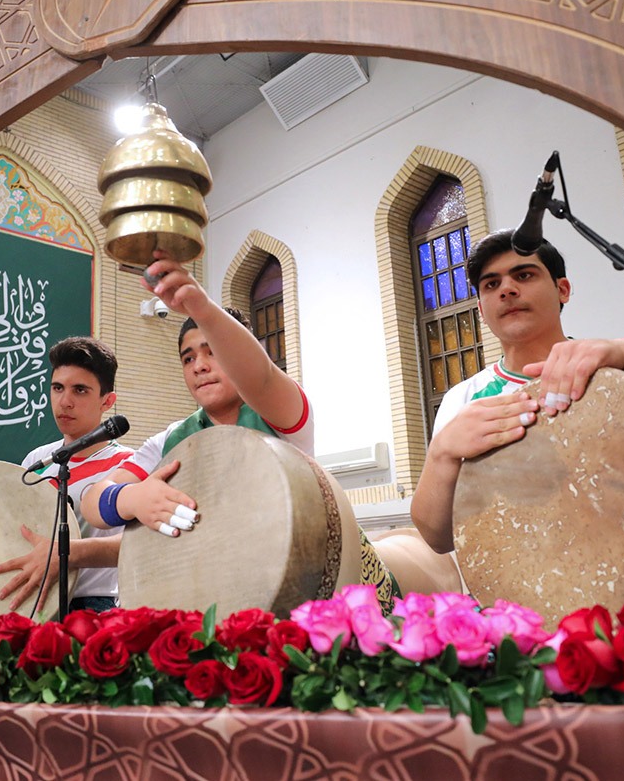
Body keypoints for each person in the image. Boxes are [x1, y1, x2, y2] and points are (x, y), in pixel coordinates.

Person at [81, 252, 400, 610]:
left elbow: (260, 377)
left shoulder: (280, 414)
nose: (199, 366)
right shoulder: (171, 440)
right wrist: (131, 499)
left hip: (320, 584)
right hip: (223, 592)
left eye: (212, 351)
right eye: (188, 358)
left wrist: (203, 309)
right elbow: (93, 499)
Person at [413, 229, 624, 554]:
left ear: (562, 289)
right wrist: (442, 453)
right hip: (535, 585)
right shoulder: (464, 400)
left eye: (524, 275)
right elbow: (438, 539)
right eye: (491, 284)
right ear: (481, 310)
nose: (507, 290)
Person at [0, 336, 132, 614]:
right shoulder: (37, 460)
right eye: (57, 388)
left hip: (95, 605)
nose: (65, 401)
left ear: (107, 401)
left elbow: (142, 544)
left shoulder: (129, 465)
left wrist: (69, 553)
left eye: (80, 390)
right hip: (32, 599)